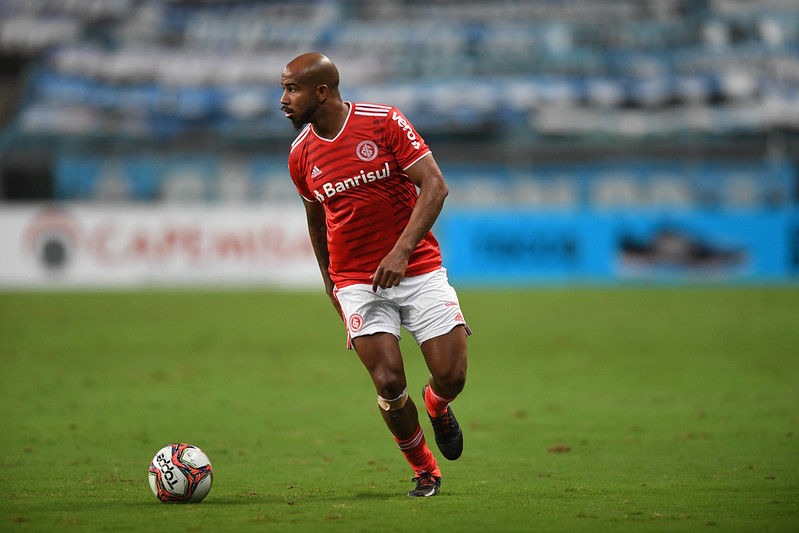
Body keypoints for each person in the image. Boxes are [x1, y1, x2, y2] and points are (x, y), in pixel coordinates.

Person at [281, 53, 471, 497]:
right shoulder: (300, 155)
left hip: (416, 266)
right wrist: (331, 283)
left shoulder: (383, 123)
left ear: (322, 92)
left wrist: (402, 252)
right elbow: (316, 221)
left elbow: (435, 186)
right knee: (388, 381)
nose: (284, 100)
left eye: (292, 89)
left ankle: (437, 405)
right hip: (355, 280)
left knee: (453, 375)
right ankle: (425, 469)